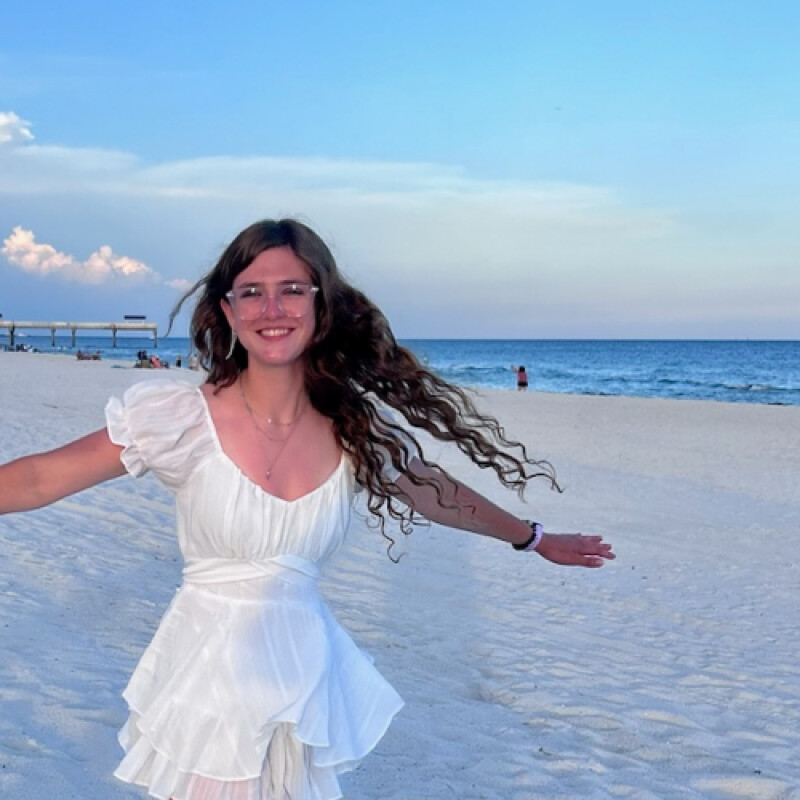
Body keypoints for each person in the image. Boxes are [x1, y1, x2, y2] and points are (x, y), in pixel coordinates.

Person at [0, 218, 614, 800]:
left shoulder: (354, 426)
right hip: (209, 676)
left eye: (292, 290)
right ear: (228, 310)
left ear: (322, 305)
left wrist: (533, 538)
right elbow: (39, 477)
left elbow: (437, 493)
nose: (273, 309)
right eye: (252, 293)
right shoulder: (180, 418)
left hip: (300, 675)